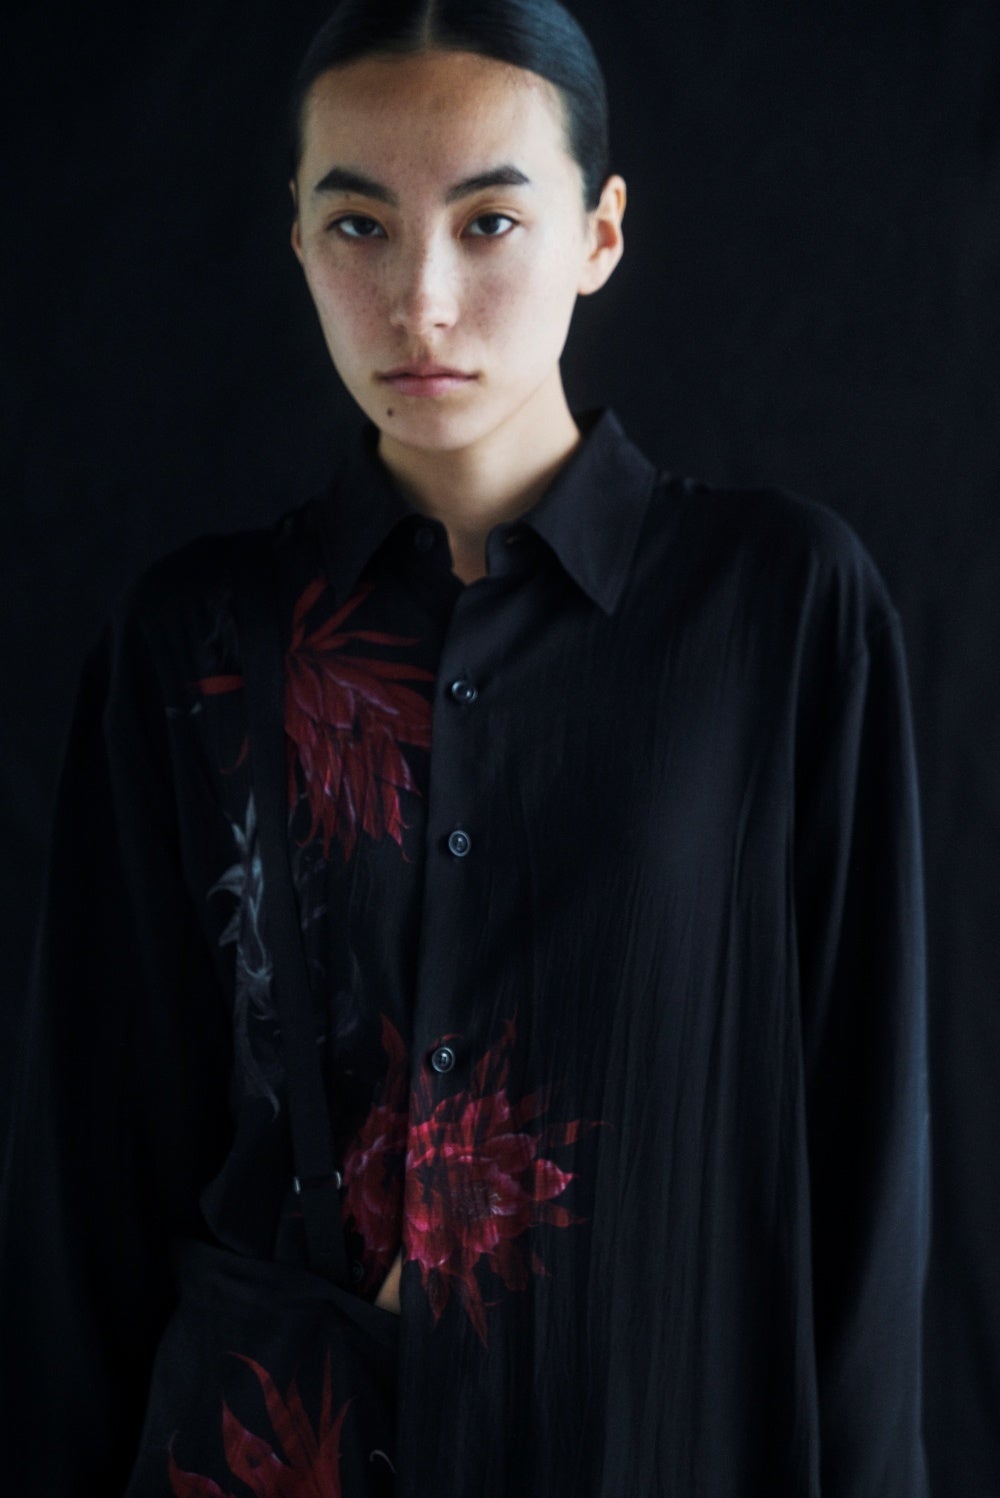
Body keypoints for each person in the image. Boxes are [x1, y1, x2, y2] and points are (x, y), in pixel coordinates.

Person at [0, 1, 930, 1493]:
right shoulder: (197, 638)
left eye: (489, 222)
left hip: (648, 1442)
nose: (421, 301)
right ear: (298, 239)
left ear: (598, 235)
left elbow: (865, 1149)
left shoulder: (779, 609)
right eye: (359, 227)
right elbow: (87, 1171)